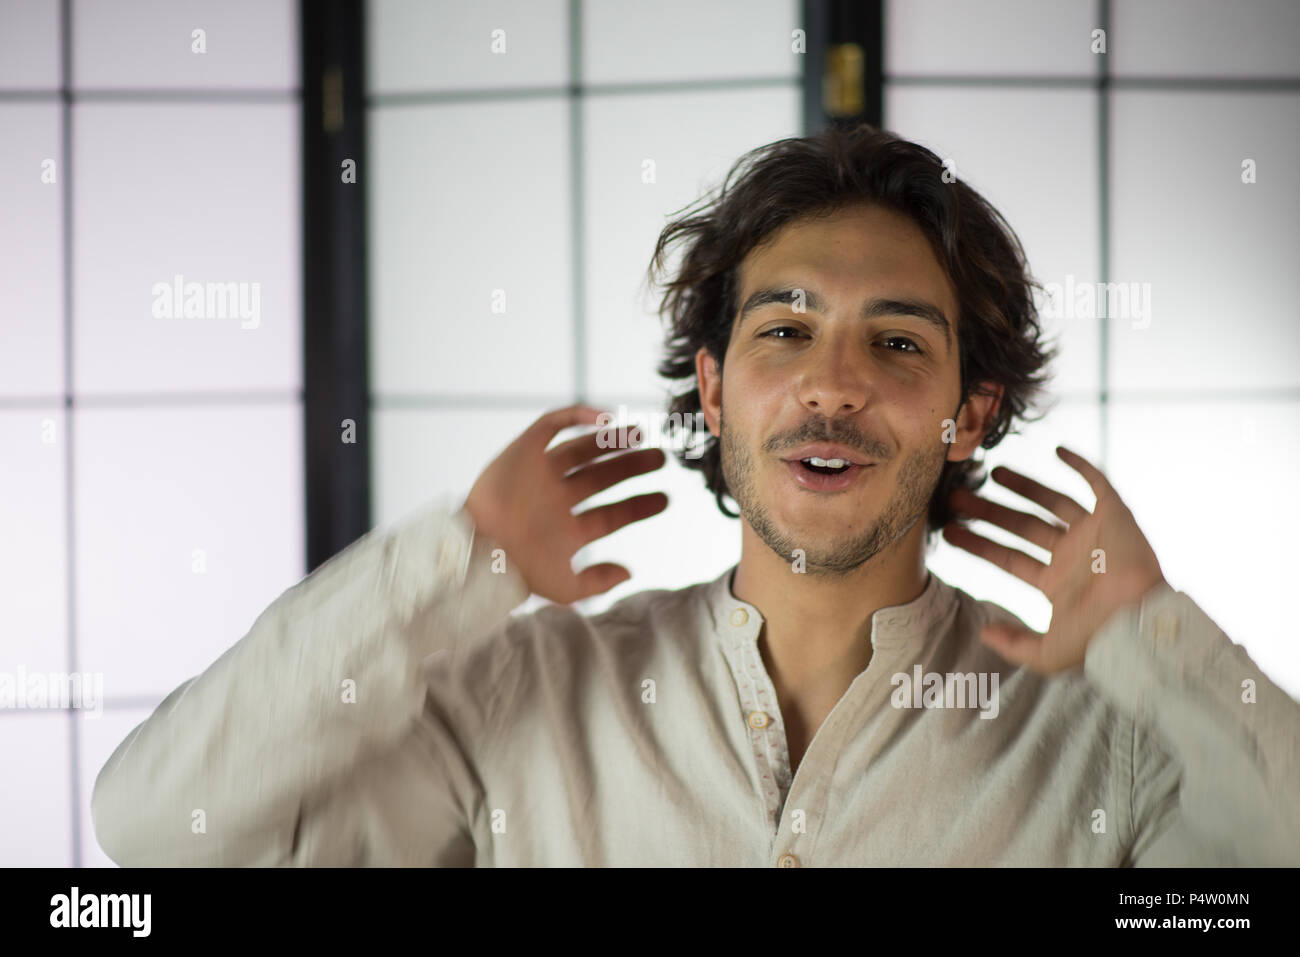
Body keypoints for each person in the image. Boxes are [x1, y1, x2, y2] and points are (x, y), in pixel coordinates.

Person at [91, 124, 1300, 866]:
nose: (831, 386)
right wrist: (455, 563)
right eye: (785, 331)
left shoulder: (1107, 746)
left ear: (967, 412)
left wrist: (1153, 633)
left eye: (895, 346)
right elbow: (155, 828)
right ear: (714, 391)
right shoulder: (530, 700)